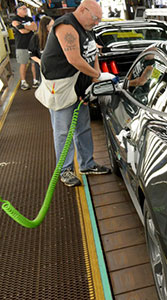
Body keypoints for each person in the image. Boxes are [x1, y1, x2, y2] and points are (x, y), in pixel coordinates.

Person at [39, 0, 114, 187]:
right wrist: (98, 75)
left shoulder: (88, 27)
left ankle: (87, 164)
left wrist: (93, 81)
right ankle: (64, 170)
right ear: (83, 10)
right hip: (61, 87)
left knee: (83, 127)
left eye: (99, 20)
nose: (97, 23)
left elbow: (92, 51)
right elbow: (74, 59)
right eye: (95, 18)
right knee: (63, 131)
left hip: (78, 86)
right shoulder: (66, 26)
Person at [12, 2, 38, 90]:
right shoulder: (15, 19)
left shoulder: (29, 18)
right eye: (23, 9)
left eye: (25, 9)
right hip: (21, 45)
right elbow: (22, 31)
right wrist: (29, 27)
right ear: (18, 10)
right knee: (23, 63)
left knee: (34, 63)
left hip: (32, 45)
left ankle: (35, 80)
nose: (25, 10)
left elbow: (35, 28)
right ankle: (23, 82)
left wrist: (25, 26)